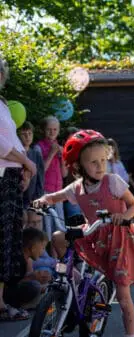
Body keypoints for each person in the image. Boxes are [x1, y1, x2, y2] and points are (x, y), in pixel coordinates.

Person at [35, 130, 134, 337]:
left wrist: (124, 215)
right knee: (58, 237)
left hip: (118, 238)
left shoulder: (113, 182)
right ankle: (74, 278)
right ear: (78, 166)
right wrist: (42, 201)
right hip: (93, 234)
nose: (100, 167)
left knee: (122, 291)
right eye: (93, 162)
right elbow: (55, 196)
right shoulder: (76, 188)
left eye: (103, 161)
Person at [0, 56, 37, 321]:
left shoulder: (2, 104)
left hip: (10, 177)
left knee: (10, 237)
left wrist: (24, 169)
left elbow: (10, 139)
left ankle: (3, 301)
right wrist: (26, 161)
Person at [2, 227, 50, 310]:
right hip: (4, 294)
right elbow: (9, 284)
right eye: (42, 248)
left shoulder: (25, 260)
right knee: (35, 286)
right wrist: (31, 277)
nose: (42, 252)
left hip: (10, 291)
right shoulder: (16, 260)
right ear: (33, 247)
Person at [35, 116, 66, 234]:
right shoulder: (39, 147)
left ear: (58, 130)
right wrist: (51, 153)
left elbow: (64, 174)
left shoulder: (59, 147)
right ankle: (46, 251)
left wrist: (62, 158)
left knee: (59, 227)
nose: (52, 132)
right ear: (43, 130)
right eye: (49, 129)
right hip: (45, 191)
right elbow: (40, 171)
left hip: (58, 192)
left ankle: (57, 252)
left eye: (55, 129)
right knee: (47, 226)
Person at [18, 121, 45, 230]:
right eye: (24, 134)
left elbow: (40, 179)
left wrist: (37, 200)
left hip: (34, 198)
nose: (27, 137)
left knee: (37, 225)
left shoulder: (36, 154)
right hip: (19, 200)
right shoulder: (16, 155)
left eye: (30, 133)